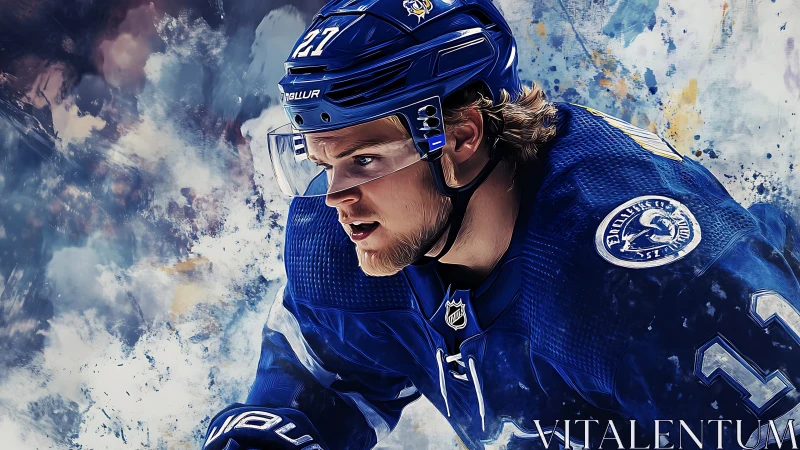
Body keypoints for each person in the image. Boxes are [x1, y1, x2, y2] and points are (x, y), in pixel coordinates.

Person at [201, 0, 800, 448]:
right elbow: (318, 387)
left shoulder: (642, 286)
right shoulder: (358, 242)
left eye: (363, 160)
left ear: (461, 137)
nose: (336, 198)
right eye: (321, 162)